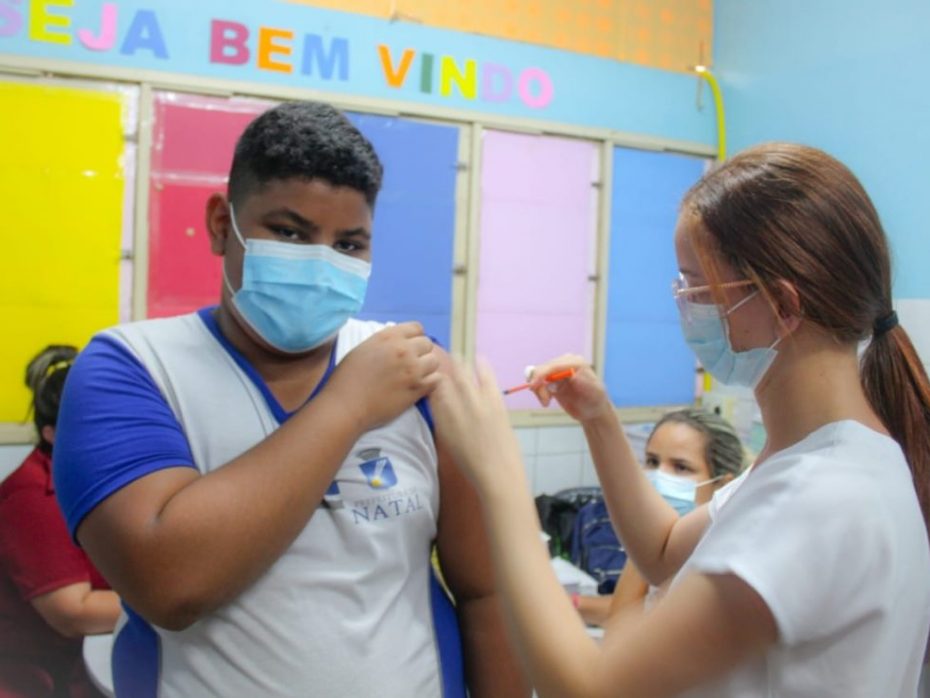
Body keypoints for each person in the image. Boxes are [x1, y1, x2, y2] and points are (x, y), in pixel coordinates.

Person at [53, 102, 527, 697]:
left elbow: (487, 589)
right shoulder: (130, 370)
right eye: (289, 232)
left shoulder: (412, 369)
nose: (321, 262)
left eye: (349, 244)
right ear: (222, 224)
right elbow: (170, 584)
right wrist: (348, 403)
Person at [432, 142, 930, 696]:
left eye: (696, 286)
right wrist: (598, 418)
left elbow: (587, 690)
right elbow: (664, 552)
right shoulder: (835, 458)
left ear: (784, 306)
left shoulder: (818, 499)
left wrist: (498, 476)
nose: (683, 304)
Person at [0, 346, 121, 698]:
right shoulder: (32, 497)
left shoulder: (98, 479)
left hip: (90, 660)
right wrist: (173, 601)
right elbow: (74, 612)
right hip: (39, 678)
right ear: (52, 434)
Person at [575, 407, 745, 626]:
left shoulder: (720, 563)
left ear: (722, 485)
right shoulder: (660, 542)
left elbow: (621, 638)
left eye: (681, 467)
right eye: (653, 462)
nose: (659, 477)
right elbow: (623, 618)